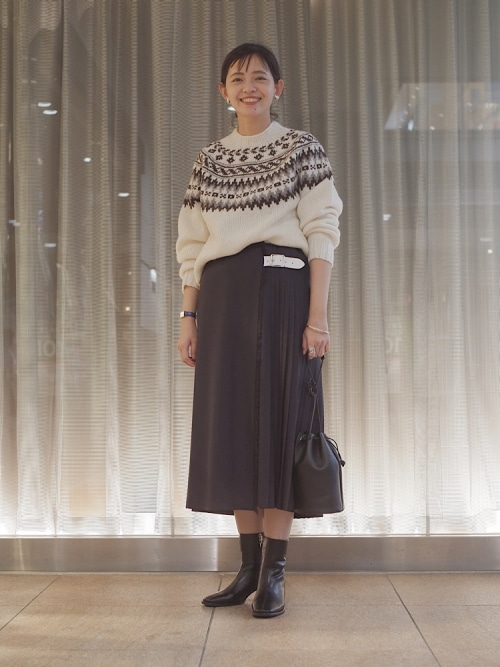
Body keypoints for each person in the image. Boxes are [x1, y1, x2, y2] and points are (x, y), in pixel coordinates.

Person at [176, 42, 342, 618]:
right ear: (224, 91)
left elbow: (321, 231)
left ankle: (274, 573)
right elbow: (192, 246)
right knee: (233, 432)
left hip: (284, 292)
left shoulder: (301, 148)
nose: (249, 87)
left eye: (260, 77)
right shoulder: (208, 161)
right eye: (238, 78)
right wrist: (189, 317)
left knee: (281, 427)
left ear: (278, 88)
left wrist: (317, 316)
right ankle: (246, 569)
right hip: (223, 299)